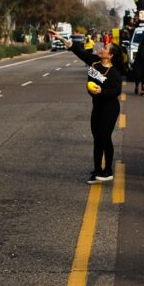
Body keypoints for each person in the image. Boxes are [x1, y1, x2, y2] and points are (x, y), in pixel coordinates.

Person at [49, 29, 124, 185]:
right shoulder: (94, 63)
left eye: (105, 48)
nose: (102, 48)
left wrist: (102, 90)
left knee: (104, 137)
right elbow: (77, 50)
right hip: (97, 107)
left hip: (110, 108)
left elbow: (116, 90)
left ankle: (108, 170)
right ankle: (97, 170)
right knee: (97, 139)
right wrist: (60, 38)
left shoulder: (114, 72)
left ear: (110, 55)